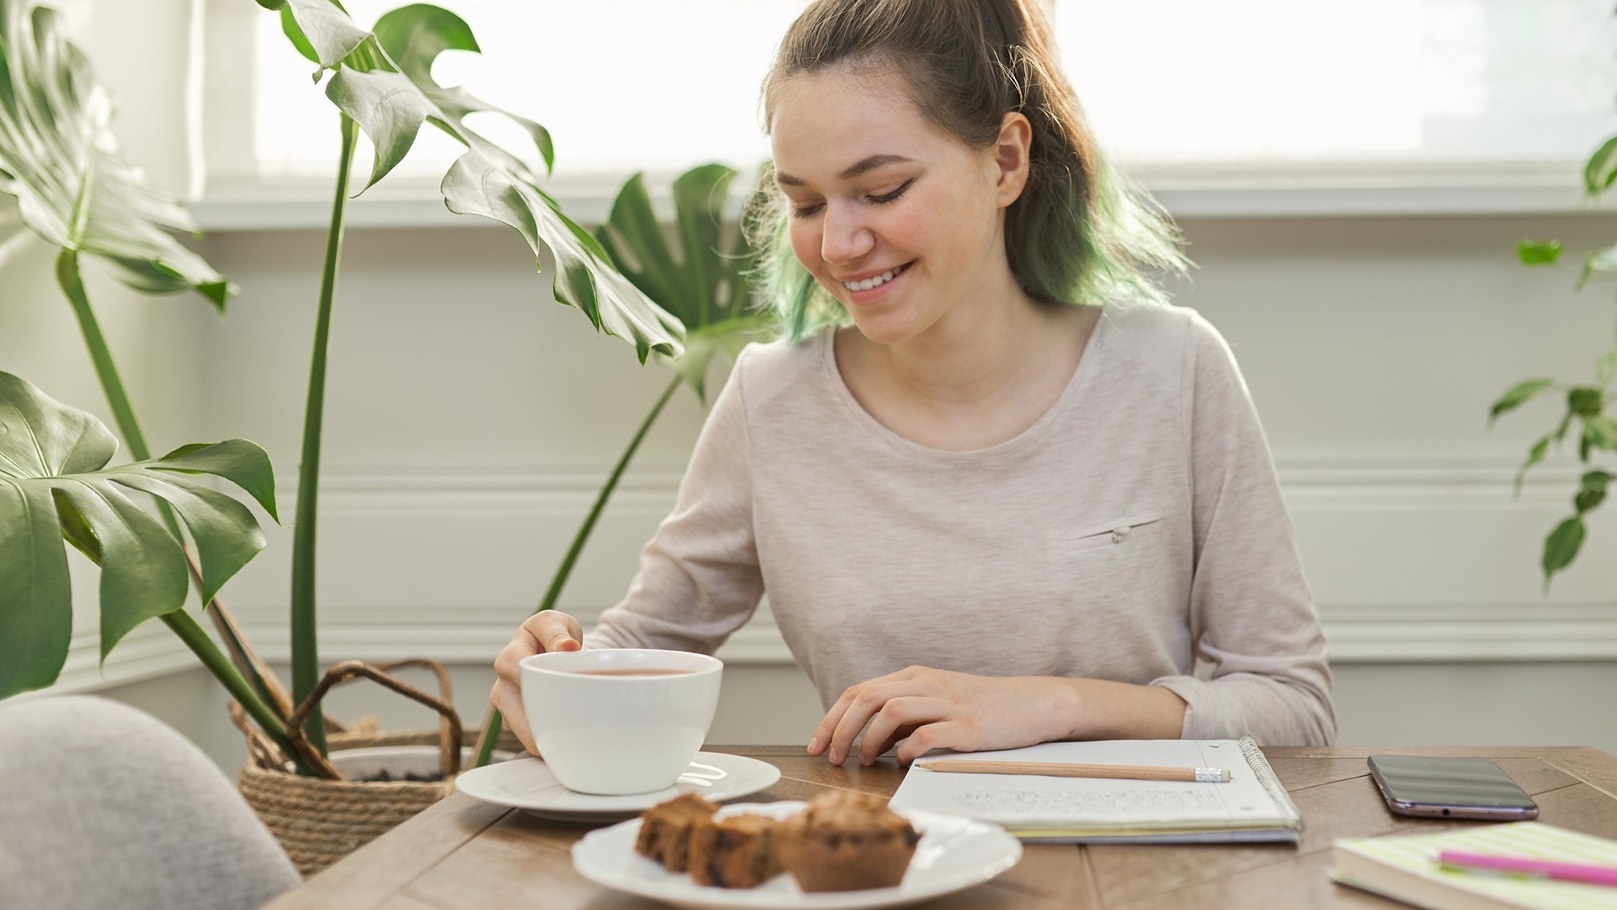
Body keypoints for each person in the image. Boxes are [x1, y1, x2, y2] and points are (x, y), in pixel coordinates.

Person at [491, 0, 1336, 767]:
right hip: (875, 862)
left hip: (1122, 870)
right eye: (808, 204)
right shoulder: (769, 402)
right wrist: (559, 673)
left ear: (1005, 160)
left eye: (881, 190)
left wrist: (1046, 705)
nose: (839, 244)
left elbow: (1292, 707)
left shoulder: (1173, 372)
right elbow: (639, 647)